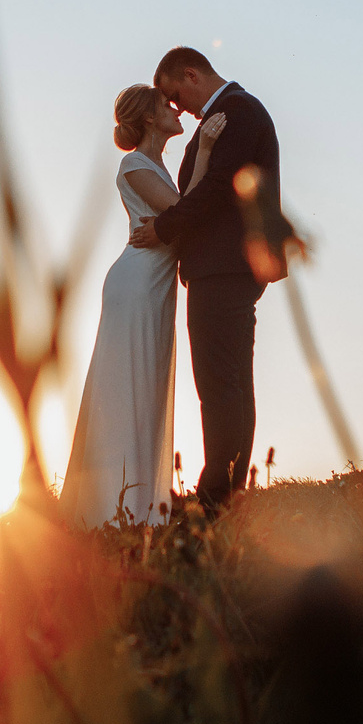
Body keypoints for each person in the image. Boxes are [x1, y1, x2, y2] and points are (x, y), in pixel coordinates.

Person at [130, 47, 285, 515]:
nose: (178, 108)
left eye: (176, 96)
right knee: (229, 383)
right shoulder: (226, 116)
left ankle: (218, 497)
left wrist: (163, 228)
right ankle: (227, 492)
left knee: (221, 385)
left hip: (225, 267)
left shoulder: (235, 112)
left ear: (192, 74)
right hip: (224, 267)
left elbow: (218, 191)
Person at [58, 85, 188, 526]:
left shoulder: (160, 166)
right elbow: (182, 212)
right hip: (135, 285)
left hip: (156, 286)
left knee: (147, 385)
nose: (175, 108)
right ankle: (111, 512)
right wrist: (205, 147)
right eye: (165, 104)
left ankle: (138, 510)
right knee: (124, 389)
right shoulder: (133, 164)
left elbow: (180, 218)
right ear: (149, 118)